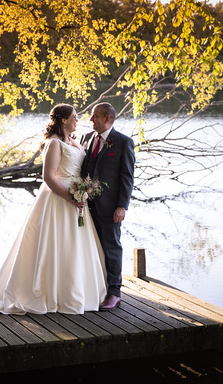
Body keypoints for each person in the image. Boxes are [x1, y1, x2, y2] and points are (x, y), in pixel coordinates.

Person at [0, 104, 107, 315]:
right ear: (63, 120)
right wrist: (70, 198)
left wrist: (82, 193)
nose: (76, 120)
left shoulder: (76, 141)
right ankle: (50, 292)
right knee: (56, 244)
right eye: (73, 117)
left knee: (73, 246)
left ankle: (78, 289)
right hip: (58, 200)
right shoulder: (54, 144)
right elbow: (48, 177)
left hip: (77, 198)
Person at [80, 102, 136, 311]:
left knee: (111, 247)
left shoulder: (123, 142)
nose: (91, 120)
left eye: (95, 117)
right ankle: (95, 287)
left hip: (109, 207)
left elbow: (127, 178)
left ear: (107, 119)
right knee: (89, 246)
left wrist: (122, 206)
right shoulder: (85, 138)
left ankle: (114, 292)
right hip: (85, 205)